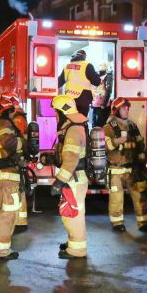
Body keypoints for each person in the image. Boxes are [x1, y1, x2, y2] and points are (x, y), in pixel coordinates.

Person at [51, 94, 89, 259]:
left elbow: (71, 160)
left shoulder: (72, 130)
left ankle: (77, 249)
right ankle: (74, 242)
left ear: (62, 112)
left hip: (73, 178)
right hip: (75, 178)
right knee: (74, 212)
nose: (55, 115)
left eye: (56, 112)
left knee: (72, 214)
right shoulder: (74, 127)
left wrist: (59, 181)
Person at [0, 98, 23, 259]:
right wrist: (23, 142)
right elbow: (8, 143)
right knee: (8, 213)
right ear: (6, 111)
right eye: (11, 111)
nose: (13, 114)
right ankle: (0, 250)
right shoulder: (3, 124)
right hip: (7, 174)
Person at [104, 97, 147, 233]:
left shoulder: (132, 126)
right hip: (115, 169)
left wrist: (141, 161)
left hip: (132, 169)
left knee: (139, 196)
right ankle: (117, 223)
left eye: (128, 108)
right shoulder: (108, 127)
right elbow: (105, 146)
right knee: (116, 198)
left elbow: (140, 144)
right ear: (116, 110)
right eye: (123, 108)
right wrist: (118, 141)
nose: (127, 110)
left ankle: (143, 222)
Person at [0, 92, 29, 231]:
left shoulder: (17, 118)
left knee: (19, 191)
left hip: (18, 158)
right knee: (18, 190)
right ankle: (20, 221)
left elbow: (18, 140)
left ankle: (20, 222)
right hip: (17, 157)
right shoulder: (16, 117)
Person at [58, 49, 101, 117]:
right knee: (81, 120)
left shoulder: (67, 66)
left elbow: (59, 82)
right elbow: (97, 82)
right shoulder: (87, 65)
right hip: (83, 100)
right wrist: (97, 74)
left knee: (67, 118)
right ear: (84, 57)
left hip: (68, 100)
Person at [92, 62, 113, 127]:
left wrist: (104, 104)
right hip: (95, 105)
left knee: (100, 125)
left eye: (101, 65)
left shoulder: (108, 76)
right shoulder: (96, 77)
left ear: (106, 67)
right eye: (99, 65)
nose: (99, 67)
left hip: (102, 106)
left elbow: (108, 90)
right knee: (95, 125)